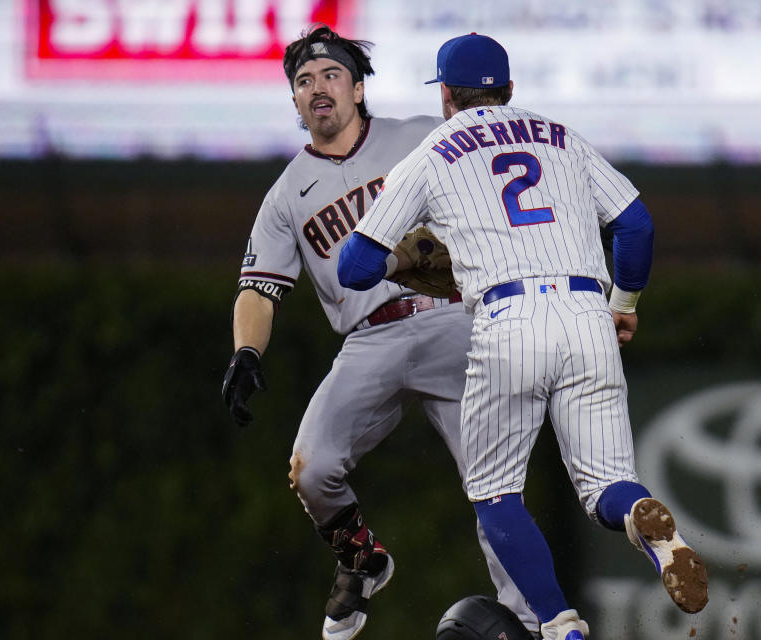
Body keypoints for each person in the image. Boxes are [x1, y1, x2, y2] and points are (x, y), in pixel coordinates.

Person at [337, 33, 709, 639]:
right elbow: (635, 224)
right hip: (587, 309)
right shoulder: (561, 136)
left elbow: (353, 269)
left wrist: (403, 263)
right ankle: (648, 525)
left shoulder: (432, 152)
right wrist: (625, 302)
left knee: (496, 495)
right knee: (607, 484)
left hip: (507, 319)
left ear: (447, 97)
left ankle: (561, 626)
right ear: (509, 90)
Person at [220, 25, 536, 640]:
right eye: (303, 81)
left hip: (453, 320)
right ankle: (362, 560)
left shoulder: (421, 135)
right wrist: (246, 350)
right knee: (312, 469)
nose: (318, 88)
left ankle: (533, 624)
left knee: (494, 486)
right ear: (293, 101)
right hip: (369, 338)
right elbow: (258, 286)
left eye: (331, 75)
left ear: (359, 87)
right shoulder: (286, 194)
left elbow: (508, 191)